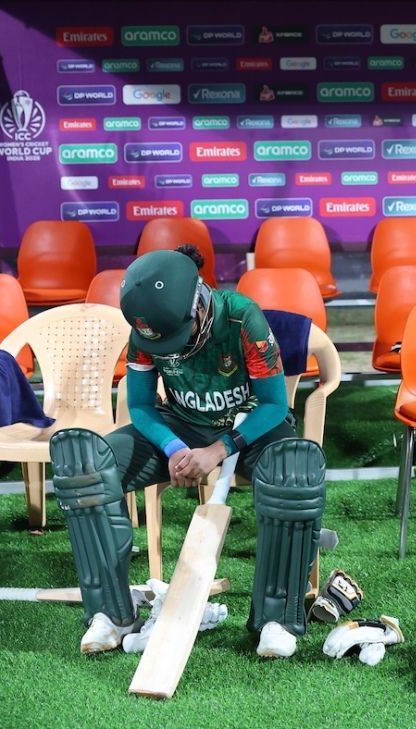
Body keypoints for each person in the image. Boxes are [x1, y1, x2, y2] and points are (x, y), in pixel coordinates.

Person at [48, 245, 327, 659]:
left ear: (198, 301)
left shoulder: (242, 318)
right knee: (86, 466)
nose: (170, 349)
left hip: (250, 425)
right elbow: (141, 405)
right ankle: (112, 613)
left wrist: (219, 449)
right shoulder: (145, 332)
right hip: (181, 425)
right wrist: (174, 448)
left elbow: (273, 405)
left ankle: (277, 618)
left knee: (294, 472)